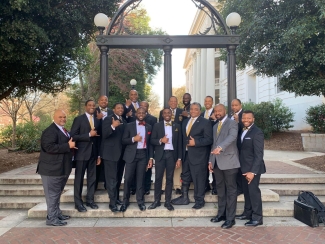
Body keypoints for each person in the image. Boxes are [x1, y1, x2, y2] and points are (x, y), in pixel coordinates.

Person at [37, 109, 75, 226]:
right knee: (52, 195)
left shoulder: (63, 130)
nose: (63, 119)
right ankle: (51, 218)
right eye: (60, 117)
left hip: (61, 168)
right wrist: (67, 146)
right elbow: (49, 147)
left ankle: (57, 214)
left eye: (64, 117)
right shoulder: (50, 131)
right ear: (54, 117)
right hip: (51, 170)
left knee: (57, 194)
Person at [172, 102, 213, 209]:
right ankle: (184, 197)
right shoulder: (185, 122)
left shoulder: (205, 122)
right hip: (186, 155)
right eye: (191, 109)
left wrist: (196, 142)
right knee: (185, 176)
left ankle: (199, 200)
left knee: (199, 178)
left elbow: (209, 139)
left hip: (199, 156)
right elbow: (182, 140)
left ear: (199, 111)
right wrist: (180, 157)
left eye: (195, 109)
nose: (193, 111)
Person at [209, 104, 240, 229]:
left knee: (231, 191)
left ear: (224, 111)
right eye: (215, 111)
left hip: (230, 162)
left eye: (219, 111)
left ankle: (230, 219)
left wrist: (220, 148)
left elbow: (232, 137)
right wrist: (210, 161)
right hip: (217, 163)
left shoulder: (232, 123)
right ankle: (221, 214)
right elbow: (213, 145)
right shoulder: (215, 126)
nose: (217, 113)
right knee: (220, 191)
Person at [70, 99, 101, 212]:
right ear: (85, 107)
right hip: (81, 154)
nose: (92, 107)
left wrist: (98, 155)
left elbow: (98, 140)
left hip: (93, 154)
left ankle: (90, 200)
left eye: (93, 105)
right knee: (79, 179)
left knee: (92, 179)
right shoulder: (79, 119)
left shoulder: (97, 121)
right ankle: (78, 203)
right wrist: (88, 134)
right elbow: (73, 136)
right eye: (90, 105)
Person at [120, 107, 153, 212]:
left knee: (140, 179)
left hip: (143, 154)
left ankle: (140, 201)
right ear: (136, 114)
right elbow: (123, 140)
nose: (141, 114)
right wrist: (134, 139)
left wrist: (150, 158)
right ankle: (125, 202)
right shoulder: (129, 126)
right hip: (131, 155)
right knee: (128, 178)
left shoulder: (149, 127)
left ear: (146, 114)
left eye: (143, 113)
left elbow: (150, 144)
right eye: (139, 112)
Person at [148, 108, 182, 211]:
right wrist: (160, 140)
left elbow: (179, 143)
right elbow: (152, 141)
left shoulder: (177, 126)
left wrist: (179, 158)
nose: (167, 114)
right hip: (160, 155)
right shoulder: (157, 126)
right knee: (158, 178)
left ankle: (167, 202)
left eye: (169, 113)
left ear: (171, 114)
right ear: (162, 115)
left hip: (172, 155)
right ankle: (156, 201)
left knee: (169, 179)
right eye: (165, 113)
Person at [236, 110, 266, 226]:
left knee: (253, 193)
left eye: (248, 118)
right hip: (243, 168)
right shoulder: (242, 130)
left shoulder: (257, 133)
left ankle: (257, 217)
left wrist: (253, 172)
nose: (246, 120)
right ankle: (247, 213)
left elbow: (259, 154)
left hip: (253, 169)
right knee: (247, 193)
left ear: (253, 119)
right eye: (244, 118)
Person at [101, 103, 127, 212]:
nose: (120, 109)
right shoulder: (108, 119)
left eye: (122, 108)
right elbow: (105, 134)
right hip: (110, 154)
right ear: (114, 109)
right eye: (118, 108)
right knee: (111, 180)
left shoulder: (124, 121)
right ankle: (112, 203)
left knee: (118, 178)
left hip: (121, 155)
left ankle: (116, 198)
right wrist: (113, 126)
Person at [94, 95, 113, 190]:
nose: (104, 101)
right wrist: (97, 119)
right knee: (97, 161)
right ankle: (95, 184)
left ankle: (106, 183)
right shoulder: (94, 111)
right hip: (96, 139)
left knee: (107, 162)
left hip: (108, 140)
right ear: (98, 101)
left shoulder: (111, 112)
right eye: (102, 100)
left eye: (106, 100)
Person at [200, 95, 217, 195]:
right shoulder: (201, 114)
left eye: (209, 101)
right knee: (204, 165)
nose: (207, 103)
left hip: (213, 143)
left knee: (214, 165)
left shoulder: (216, 113)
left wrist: (214, 120)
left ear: (212, 102)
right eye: (205, 101)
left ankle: (215, 187)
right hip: (203, 145)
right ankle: (206, 185)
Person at [140, 101, 157, 195]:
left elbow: (154, 135)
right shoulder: (134, 118)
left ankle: (146, 187)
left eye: (145, 106)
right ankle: (134, 187)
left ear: (147, 108)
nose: (143, 107)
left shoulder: (153, 119)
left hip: (148, 147)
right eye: (141, 105)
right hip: (137, 148)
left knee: (148, 168)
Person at [231, 98, 244, 196]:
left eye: (236, 105)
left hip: (241, 146)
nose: (234, 107)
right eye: (232, 105)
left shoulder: (243, 115)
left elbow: (244, 130)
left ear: (240, 105)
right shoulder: (231, 116)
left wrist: (238, 121)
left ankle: (240, 188)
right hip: (232, 146)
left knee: (239, 168)